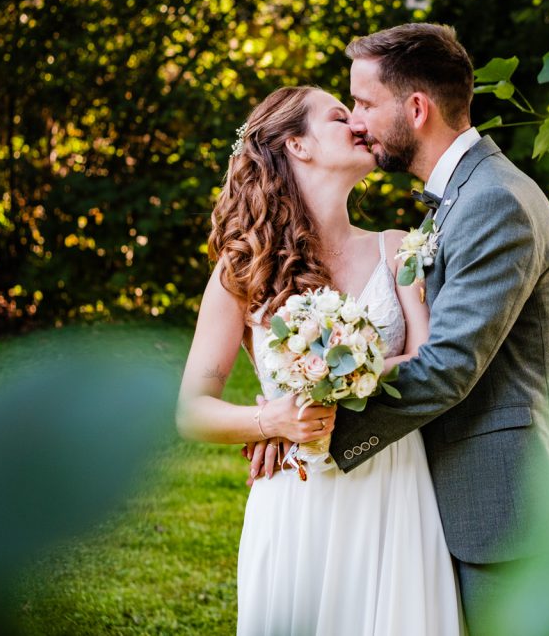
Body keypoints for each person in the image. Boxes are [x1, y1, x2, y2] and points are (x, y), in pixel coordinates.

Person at [176, 85, 464, 635]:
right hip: (297, 495)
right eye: (339, 115)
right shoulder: (242, 271)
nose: (358, 122)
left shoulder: (397, 248)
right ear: (298, 146)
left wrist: (346, 377)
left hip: (393, 484)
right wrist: (272, 420)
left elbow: (431, 362)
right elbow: (192, 410)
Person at [334, 23, 549, 633]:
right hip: (463, 494)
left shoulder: (495, 202)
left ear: (416, 108)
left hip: (503, 506)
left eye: (363, 103)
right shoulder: (466, 196)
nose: (355, 121)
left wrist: (315, 430)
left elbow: (447, 368)